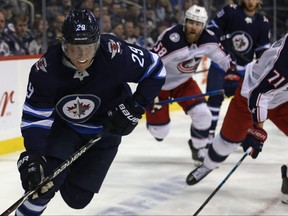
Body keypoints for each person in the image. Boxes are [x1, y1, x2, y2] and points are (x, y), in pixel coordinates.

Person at [15, 9, 166, 216]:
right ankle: (55, 166)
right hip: (66, 128)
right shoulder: (46, 70)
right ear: (63, 44)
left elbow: (157, 69)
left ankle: (62, 165)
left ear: (97, 42)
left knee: (78, 199)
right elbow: (35, 118)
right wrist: (34, 154)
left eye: (88, 47)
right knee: (43, 185)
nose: (82, 56)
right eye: (75, 48)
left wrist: (135, 106)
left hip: (106, 130)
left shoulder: (115, 53)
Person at [186, 34, 288, 204]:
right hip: (250, 97)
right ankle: (208, 165)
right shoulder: (284, 62)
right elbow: (259, 94)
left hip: (283, 99)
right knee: (228, 141)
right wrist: (257, 128)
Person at [145, 5, 240, 164]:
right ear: (185, 22)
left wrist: (231, 73)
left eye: (197, 24)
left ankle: (198, 148)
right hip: (159, 85)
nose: (193, 27)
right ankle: (156, 124)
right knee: (160, 132)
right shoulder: (171, 40)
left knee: (204, 116)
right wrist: (149, 92)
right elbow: (150, 66)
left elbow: (225, 59)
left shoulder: (209, 39)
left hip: (184, 83)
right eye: (190, 22)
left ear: (203, 26)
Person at [205, 0, 270, 144]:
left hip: (243, 71)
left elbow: (263, 52)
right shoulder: (230, 11)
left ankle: (241, 135)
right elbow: (211, 29)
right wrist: (221, 39)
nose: (250, 1)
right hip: (221, 65)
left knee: (243, 105)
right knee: (214, 100)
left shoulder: (263, 23)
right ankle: (208, 135)